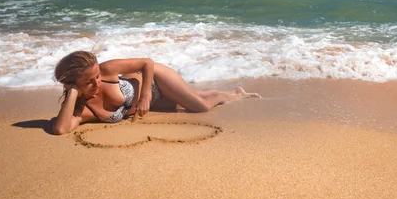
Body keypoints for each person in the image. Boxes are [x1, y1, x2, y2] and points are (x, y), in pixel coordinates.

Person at [52, 51, 260, 135]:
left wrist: (145, 95)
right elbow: (61, 129)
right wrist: (72, 95)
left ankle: (234, 95)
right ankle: (232, 91)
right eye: (89, 82)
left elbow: (147, 63)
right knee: (189, 97)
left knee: (200, 105)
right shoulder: (83, 110)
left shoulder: (107, 70)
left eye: (97, 76)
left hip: (155, 81)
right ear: (73, 84)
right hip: (153, 102)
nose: (97, 82)